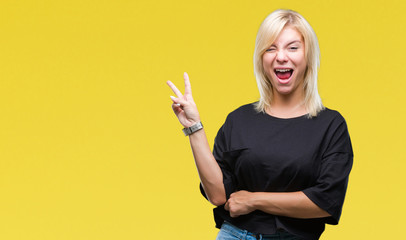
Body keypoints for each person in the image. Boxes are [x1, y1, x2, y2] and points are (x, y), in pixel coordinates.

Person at [167, 9, 353, 240]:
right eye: (271, 48)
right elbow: (218, 195)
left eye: (292, 47)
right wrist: (194, 127)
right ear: (261, 58)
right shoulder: (239, 120)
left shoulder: (330, 126)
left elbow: (326, 202)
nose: (281, 57)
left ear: (308, 55)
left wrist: (254, 200)